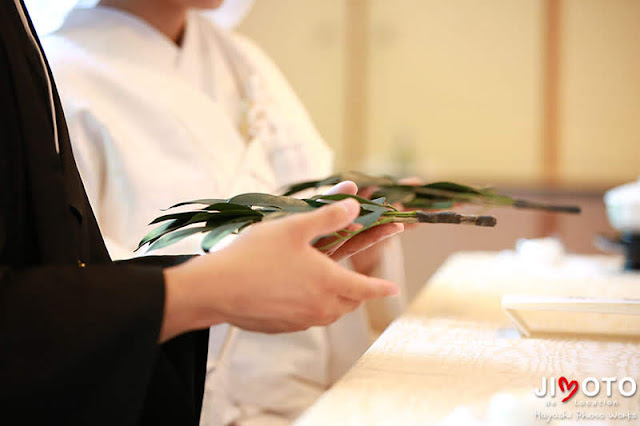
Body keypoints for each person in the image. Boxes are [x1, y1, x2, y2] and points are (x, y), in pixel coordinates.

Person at [0, 0, 402, 424]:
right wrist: (218, 285)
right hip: (191, 403)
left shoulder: (245, 61)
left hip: (305, 397)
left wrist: (354, 241)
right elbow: (75, 290)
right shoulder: (61, 75)